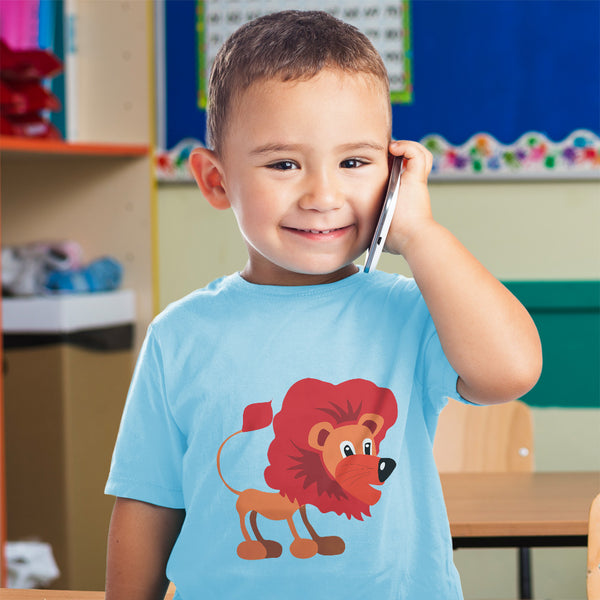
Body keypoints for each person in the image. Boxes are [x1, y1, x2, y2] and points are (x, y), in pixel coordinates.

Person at [105, 10, 542, 600]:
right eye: (283, 164)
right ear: (216, 181)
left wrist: (418, 234)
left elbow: (511, 372)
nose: (323, 196)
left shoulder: (413, 311)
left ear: (392, 174)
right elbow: (148, 502)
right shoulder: (179, 334)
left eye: (355, 163)